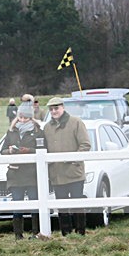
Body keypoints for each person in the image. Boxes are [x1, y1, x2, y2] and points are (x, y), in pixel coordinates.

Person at [43, 97, 91, 236]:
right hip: (57, 173)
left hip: (74, 172)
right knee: (61, 205)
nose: (54, 111)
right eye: (51, 109)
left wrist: (73, 160)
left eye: (56, 108)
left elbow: (85, 145)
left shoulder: (76, 122)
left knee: (77, 203)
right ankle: (66, 233)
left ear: (62, 107)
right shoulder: (47, 127)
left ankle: (80, 232)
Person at [0, 101, 46, 240]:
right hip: (15, 174)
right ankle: (18, 234)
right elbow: (2, 150)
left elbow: (43, 149)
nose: (23, 120)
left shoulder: (38, 132)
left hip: (32, 173)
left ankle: (36, 233)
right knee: (17, 204)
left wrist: (29, 151)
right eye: (21, 117)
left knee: (34, 203)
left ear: (31, 117)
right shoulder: (11, 131)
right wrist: (9, 151)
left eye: (26, 118)